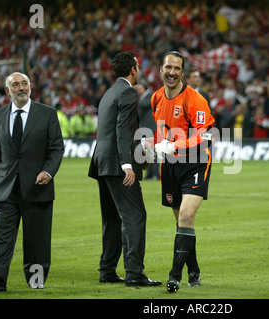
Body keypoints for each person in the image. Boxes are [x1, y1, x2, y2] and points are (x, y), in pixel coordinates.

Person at [0, 72, 64, 291]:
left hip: (38, 187)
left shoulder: (47, 114)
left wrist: (48, 172)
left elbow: (56, 150)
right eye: (15, 85)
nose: (21, 88)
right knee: (2, 236)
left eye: (24, 83)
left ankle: (36, 280)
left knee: (37, 240)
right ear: (8, 91)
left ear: (31, 87)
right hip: (6, 188)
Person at [88, 51, 161, 287]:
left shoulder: (109, 92)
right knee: (134, 216)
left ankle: (107, 270)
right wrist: (127, 164)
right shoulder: (129, 92)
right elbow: (122, 131)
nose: (138, 70)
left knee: (111, 218)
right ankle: (134, 273)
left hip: (102, 163)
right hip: (118, 165)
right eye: (138, 67)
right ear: (132, 70)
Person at [148, 51, 215, 293]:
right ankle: (194, 271)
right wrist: (154, 145)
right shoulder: (155, 98)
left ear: (182, 72)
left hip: (196, 163)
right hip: (170, 166)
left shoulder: (195, 99)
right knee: (181, 222)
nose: (172, 72)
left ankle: (174, 276)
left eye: (177, 68)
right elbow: (159, 131)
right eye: (168, 67)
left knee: (186, 217)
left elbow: (204, 135)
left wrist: (174, 144)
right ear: (160, 70)